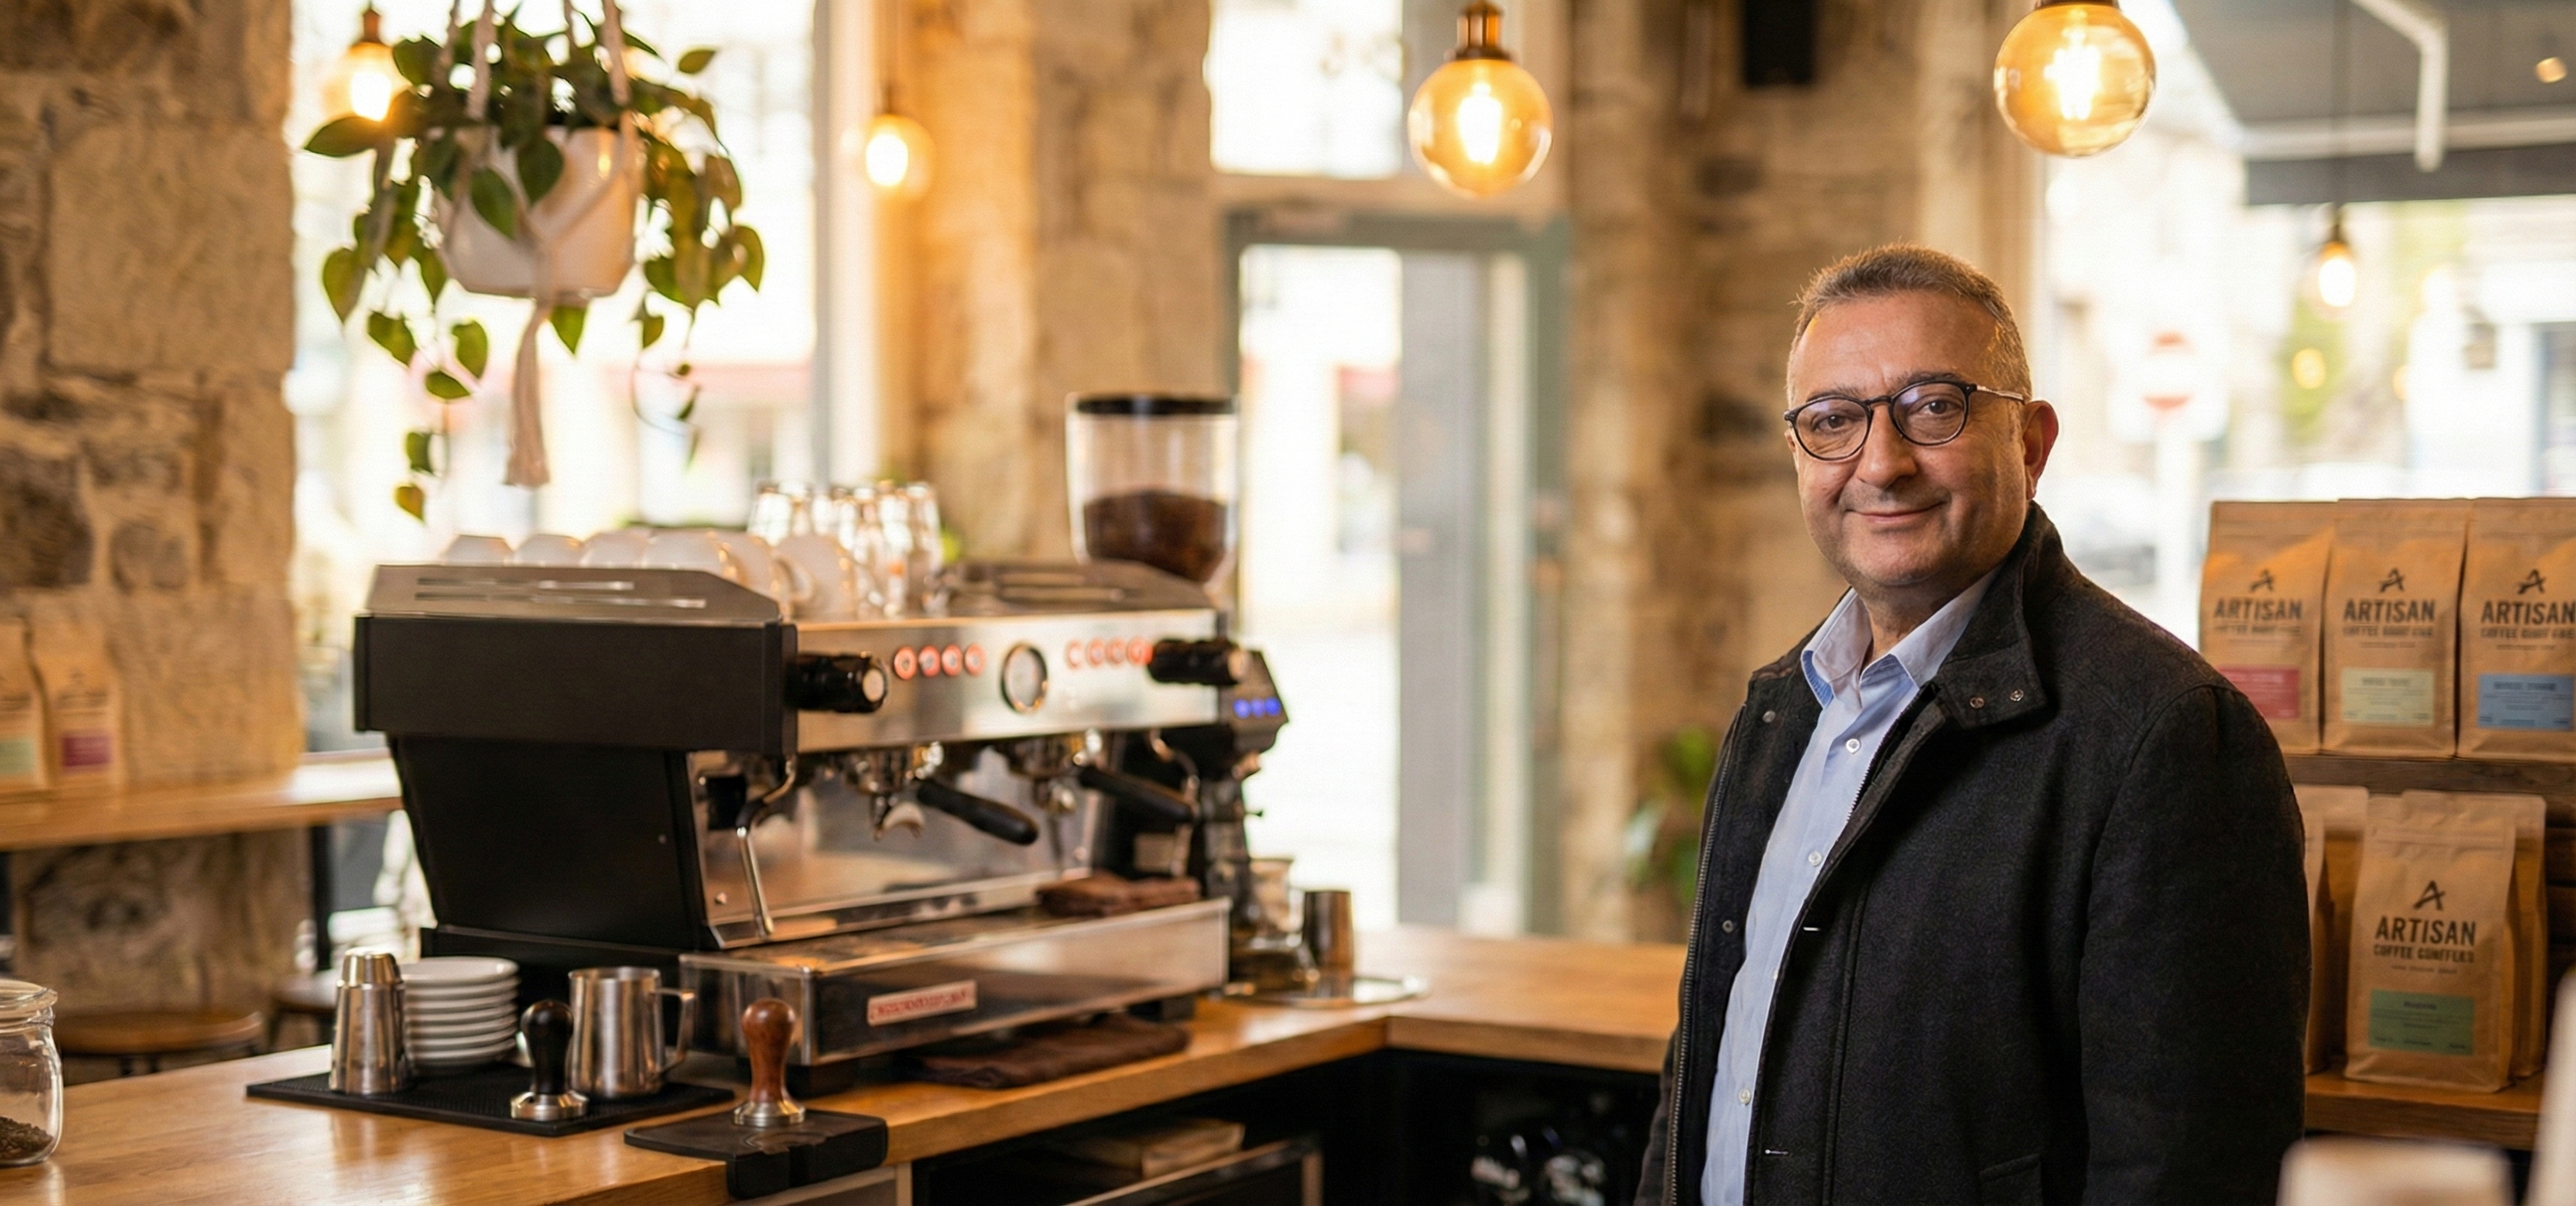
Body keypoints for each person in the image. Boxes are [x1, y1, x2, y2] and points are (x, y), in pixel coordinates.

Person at [1633, 244, 2307, 1205]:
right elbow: (1708, 1057)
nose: (1880, 461)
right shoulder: (1782, 708)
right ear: (1797, 454)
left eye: (1932, 407)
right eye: (1832, 421)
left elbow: (2186, 1166)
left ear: (2030, 443)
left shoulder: (2163, 735)